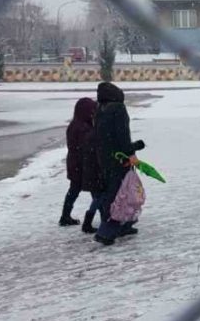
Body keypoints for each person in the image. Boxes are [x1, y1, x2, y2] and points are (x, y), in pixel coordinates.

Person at [94, 83, 145, 246]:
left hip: (103, 159)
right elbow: (122, 136)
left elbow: (103, 137)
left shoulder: (100, 110)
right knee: (121, 195)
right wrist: (134, 148)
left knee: (113, 193)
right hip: (119, 160)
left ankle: (125, 225)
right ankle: (106, 232)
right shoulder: (118, 109)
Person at [62, 98, 102, 231]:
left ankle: (65, 216)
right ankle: (95, 220)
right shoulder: (83, 127)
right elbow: (88, 146)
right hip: (82, 164)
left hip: (75, 163)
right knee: (95, 190)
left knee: (74, 190)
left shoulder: (75, 124)